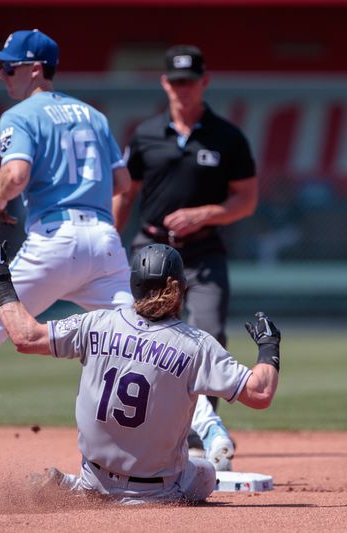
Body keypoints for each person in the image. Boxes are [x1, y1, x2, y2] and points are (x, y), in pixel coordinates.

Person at [0, 30, 234, 484]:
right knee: (154, 339)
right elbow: (119, 185)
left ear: (35, 68)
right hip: (102, 242)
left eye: (10, 67)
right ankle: (211, 430)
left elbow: (15, 176)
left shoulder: (20, 114)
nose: (2, 75)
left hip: (54, 241)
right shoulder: (94, 116)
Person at [0, 226, 281, 504]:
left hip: (97, 476)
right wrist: (268, 348)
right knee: (207, 473)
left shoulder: (97, 322)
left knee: (99, 478)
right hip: (159, 489)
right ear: (179, 289)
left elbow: (25, 336)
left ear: (134, 284)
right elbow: (260, 393)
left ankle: (77, 486)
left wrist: (0, 274)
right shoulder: (195, 344)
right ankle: (92, 488)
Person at [113, 44, 259, 465]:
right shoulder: (144, 134)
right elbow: (126, 193)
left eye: (190, 81)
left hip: (203, 250)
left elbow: (246, 200)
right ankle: (145, 425)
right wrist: (110, 238)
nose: (182, 89)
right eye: (175, 81)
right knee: (139, 337)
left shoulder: (227, 137)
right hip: (151, 251)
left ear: (204, 82)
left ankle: (204, 429)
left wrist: (205, 213)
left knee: (210, 334)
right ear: (164, 83)